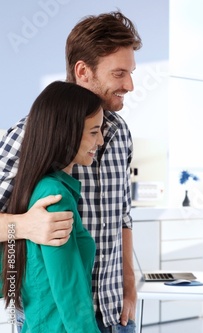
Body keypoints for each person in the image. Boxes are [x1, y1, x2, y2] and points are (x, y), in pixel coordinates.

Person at [0, 11, 142, 332]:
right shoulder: (27, 137)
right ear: (83, 71)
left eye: (131, 72)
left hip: (115, 313)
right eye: (119, 73)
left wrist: (130, 285)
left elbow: (122, 216)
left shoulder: (119, 132)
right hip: (58, 321)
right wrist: (22, 225)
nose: (130, 85)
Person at [1, 81, 104, 332]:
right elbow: (70, 291)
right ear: (66, 132)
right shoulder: (55, 195)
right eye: (94, 131)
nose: (100, 140)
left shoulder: (37, 188)